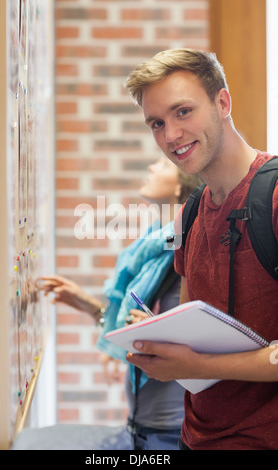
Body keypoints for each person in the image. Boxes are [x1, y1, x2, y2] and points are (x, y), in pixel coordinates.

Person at [124, 48, 278, 450]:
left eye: (183, 111)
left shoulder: (275, 196)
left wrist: (196, 365)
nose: (170, 135)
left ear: (222, 102)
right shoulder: (190, 215)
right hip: (194, 439)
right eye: (157, 123)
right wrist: (161, 337)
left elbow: (200, 360)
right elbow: (198, 323)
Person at [40, 156, 201, 450]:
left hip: (168, 435)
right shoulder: (155, 241)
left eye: (163, 165)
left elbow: (194, 333)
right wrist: (88, 305)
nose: (152, 168)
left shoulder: (186, 247)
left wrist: (153, 330)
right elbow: (136, 322)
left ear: (182, 187)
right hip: (140, 429)